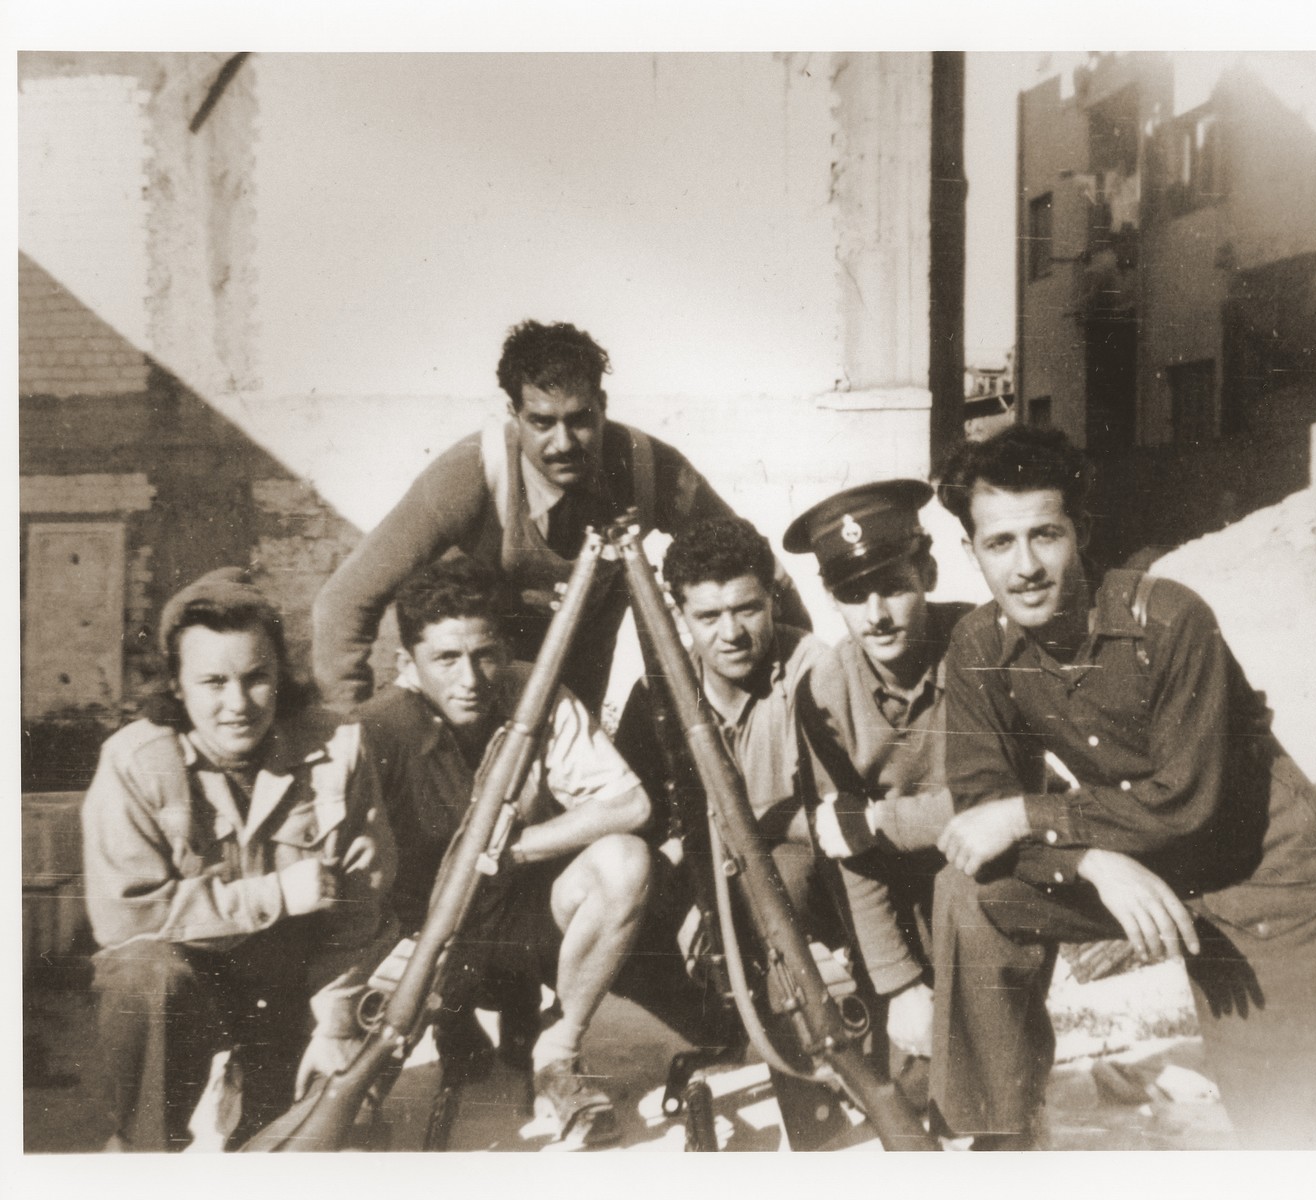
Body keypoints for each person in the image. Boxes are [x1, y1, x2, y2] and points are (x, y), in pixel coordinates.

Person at [928, 427, 1316, 1150]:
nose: (1026, 567)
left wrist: (1035, 815)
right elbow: (977, 817)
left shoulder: (1171, 618)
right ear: (972, 552)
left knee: (1284, 1135)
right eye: (1000, 544)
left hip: (1260, 870)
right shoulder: (977, 648)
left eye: (1046, 536)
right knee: (969, 892)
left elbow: (1186, 799)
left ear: (1080, 534)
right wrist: (1088, 859)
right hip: (1131, 855)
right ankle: (1005, 1135)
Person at [312, 320, 808, 716]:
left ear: (603, 408)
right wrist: (346, 738)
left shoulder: (649, 466)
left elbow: (758, 566)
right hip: (482, 676)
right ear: (514, 414)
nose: (564, 443)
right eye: (542, 422)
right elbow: (345, 601)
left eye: (580, 419)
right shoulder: (469, 474)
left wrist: (794, 692)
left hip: (580, 677)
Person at [81, 568, 398, 1152]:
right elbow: (127, 921)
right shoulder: (133, 762)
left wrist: (336, 1023)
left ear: (282, 674)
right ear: (176, 684)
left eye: (257, 679)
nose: (237, 704)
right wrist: (275, 895)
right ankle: (142, 1153)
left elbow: (362, 910)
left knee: (309, 1145)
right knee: (144, 979)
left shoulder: (338, 747)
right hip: (189, 985)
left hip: (296, 984)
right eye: (212, 682)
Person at [353, 558, 658, 1147]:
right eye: (445, 658)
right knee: (353, 1100)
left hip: (518, 921)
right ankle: (413, 1054)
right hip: (421, 937)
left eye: (484, 653)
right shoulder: (375, 730)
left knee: (625, 861)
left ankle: (556, 1054)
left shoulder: (534, 691)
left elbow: (631, 807)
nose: (470, 678)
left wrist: (512, 848)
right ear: (406, 666)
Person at [613, 515, 848, 1148]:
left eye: (747, 609)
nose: (732, 633)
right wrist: (691, 893)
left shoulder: (814, 669)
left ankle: (810, 1097)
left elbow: (839, 810)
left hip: (803, 880)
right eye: (708, 616)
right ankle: (725, 1028)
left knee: (786, 877)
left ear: (773, 596)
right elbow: (640, 815)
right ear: (681, 616)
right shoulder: (656, 692)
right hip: (705, 885)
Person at [783, 480, 970, 1084]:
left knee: (982, 1070)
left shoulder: (979, 646)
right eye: (852, 593)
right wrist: (900, 982)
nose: (877, 615)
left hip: (984, 872)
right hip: (891, 890)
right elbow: (847, 850)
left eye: (894, 586)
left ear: (929, 572)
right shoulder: (823, 693)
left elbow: (1007, 802)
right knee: (911, 1088)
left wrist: (882, 823)